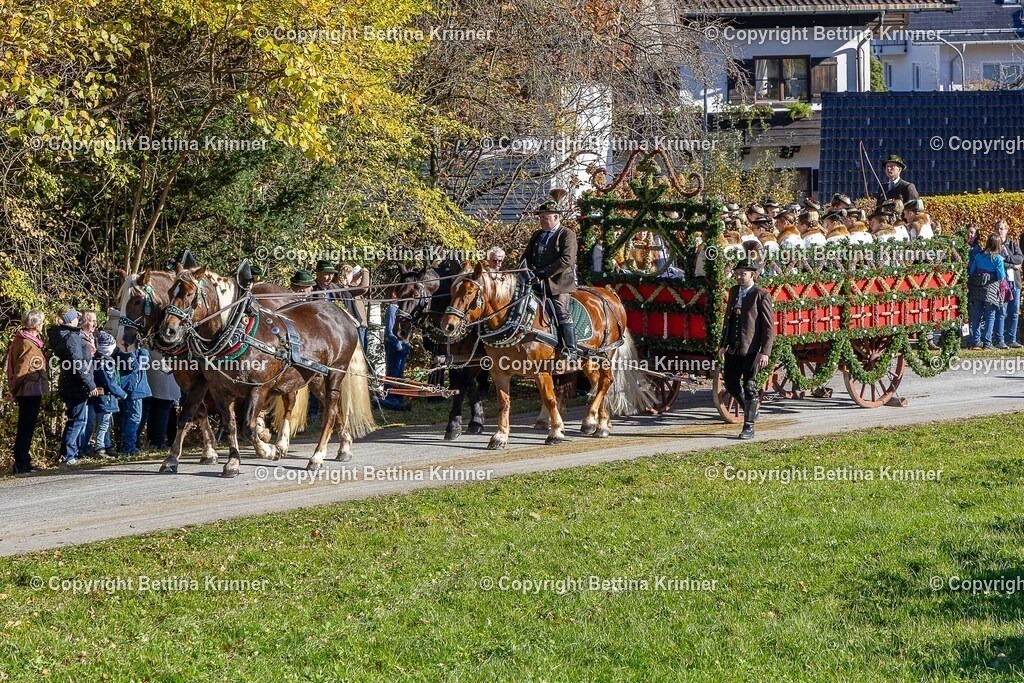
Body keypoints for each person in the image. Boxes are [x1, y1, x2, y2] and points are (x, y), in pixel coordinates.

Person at [718, 259, 775, 440]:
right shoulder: (734, 291)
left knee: (750, 386)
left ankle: (748, 426)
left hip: (751, 349)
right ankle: (751, 408)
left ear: (752, 274)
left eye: (743, 273)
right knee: (731, 383)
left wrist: (765, 351)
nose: (740, 276)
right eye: (738, 273)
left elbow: (768, 327)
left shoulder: (761, 295)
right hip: (733, 347)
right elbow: (728, 320)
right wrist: (722, 345)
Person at [524, 199, 579, 359]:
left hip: (559, 284)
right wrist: (524, 271)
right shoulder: (537, 235)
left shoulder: (567, 234)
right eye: (540, 218)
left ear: (556, 217)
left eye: (545, 218)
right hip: (536, 282)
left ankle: (570, 349)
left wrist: (544, 272)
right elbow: (527, 256)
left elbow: (567, 260)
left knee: (561, 312)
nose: (541, 221)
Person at [48, 306, 99, 466]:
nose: (79, 318)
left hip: (72, 383)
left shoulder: (67, 335)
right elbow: (77, 364)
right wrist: (90, 384)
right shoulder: (70, 337)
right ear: (70, 320)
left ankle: (72, 453)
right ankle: (68, 455)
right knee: (76, 420)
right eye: (75, 316)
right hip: (75, 385)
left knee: (79, 420)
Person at [4, 310, 49, 474]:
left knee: (27, 427)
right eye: (41, 322)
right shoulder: (27, 343)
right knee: (26, 428)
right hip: (28, 391)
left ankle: (25, 461)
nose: (43, 325)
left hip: (27, 390)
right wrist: (13, 391)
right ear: (36, 325)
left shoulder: (25, 340)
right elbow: (22, 370)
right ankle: (21, 464)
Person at [89, 332, 126, 459]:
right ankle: (100, 447)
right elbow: (110, 383)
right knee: (104, 423)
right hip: (106, 398)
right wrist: (122, 394)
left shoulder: (97, 361)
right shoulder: (105, 364)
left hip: (102, 397)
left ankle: (107, 444)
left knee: (106, 422)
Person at [967, 235, 1006, 350]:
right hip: (992, 288)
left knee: (976, 315)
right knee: (990, 316)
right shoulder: (998, 258)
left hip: (977, 288)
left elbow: (972, 270)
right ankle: (987, 343)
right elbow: (1001, 276)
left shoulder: (979, 256)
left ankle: (975, 341)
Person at [115, 340, 151, 456]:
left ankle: (125, 444)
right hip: (133, 388)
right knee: (134, 417)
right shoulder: (127, 352)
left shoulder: (123, 350)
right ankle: (129, 446)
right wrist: (144, 351)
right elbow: (136, 365)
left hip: (131, 387)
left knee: (128, 417)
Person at [994, 221, 1022, 348]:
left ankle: (1012, 338)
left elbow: (1020, 258)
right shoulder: (994, 244)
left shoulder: (1013, 243)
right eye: (999, 229)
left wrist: (1008, 259)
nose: (1001, 231)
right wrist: (1012, 265)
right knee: (1001, 310)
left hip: (1014, 282)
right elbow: (997, 262)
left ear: (1007, 230)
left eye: (1003, 229)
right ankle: (1000, 339)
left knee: (1014, 311)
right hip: (1002, 283)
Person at [146, 349, 181, 449]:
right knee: (163, 409)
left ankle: (156, 440)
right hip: (165, 378)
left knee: (157, 410)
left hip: (155, 379)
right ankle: (159, 441)